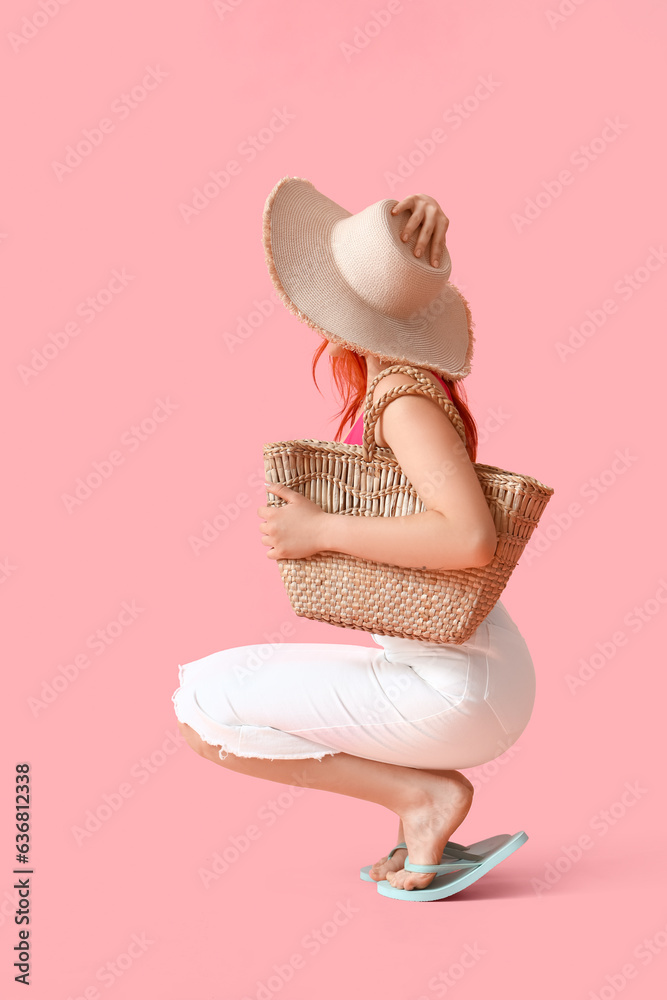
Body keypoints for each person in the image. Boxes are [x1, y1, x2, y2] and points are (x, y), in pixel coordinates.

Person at [172, 178, 536, 901]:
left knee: (205, 703)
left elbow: (469, 539)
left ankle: (419, 799)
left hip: (458, 689)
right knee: (210, 686)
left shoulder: (401, 397)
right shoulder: (395, 387)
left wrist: (319, 529)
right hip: (461, 673)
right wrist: (415, 229)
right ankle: (418, 798)